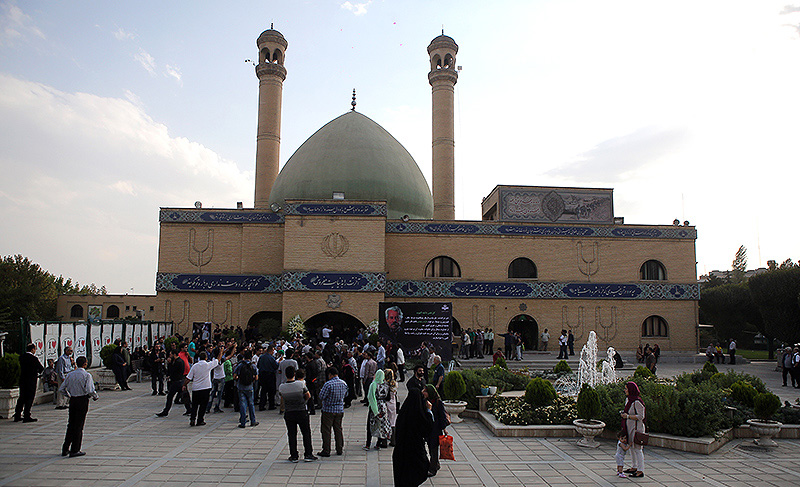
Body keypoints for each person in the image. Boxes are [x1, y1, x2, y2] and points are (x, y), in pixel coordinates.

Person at [392, 388, 433, 487]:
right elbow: (427, 429)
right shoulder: (419, 415)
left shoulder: (403, 414)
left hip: (401, 451)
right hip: (415, 451)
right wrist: (429, 411)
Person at [59, 356, 98, 458]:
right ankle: (75, 449)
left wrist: (69, 395)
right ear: (85, 364)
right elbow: (90, 390)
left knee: (71, 424)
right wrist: (95, 396)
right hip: (82, 400)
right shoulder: (86, 375)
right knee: (79, 425)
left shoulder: (70, 375)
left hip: (73, 400)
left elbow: (62, 389)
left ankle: (65, 448)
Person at [279, 365, 316, 462]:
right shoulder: (300, 385)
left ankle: (294, 455)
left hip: (289, 412)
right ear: (294, 374)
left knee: (291, 434)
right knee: (306, 433)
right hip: (301, 410)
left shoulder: (282, 387)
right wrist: (303, 401)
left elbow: (282, 398)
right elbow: (308, 395)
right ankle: (308, 454)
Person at [183, 348, 222, 426]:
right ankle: (200, 419)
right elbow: (218, 360)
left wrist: (184, 385)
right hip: (205, 388)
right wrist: (221, 351)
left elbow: (188, 378)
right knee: (203, 405)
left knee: (194, 405)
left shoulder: (194, 366)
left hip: (196, 388)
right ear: (206, 358)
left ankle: (192, 419)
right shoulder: (208, 365)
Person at [318, 366, 348, 457]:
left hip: (328, 410)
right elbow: (346, 394)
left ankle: (326, 450)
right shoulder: (343, 383)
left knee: (326, 430)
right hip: (339, 410)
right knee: (338, 429)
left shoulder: (328, 384)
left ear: (330, 375)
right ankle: (339, 448)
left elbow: (321, 396)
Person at [14, 343, 44, 422]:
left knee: (22, 397)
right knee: (29, 398)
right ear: (32, 349)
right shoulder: (34, 359)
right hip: (31, 381)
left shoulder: (21, 357)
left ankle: (17, 414)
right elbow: (41, 368)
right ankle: (27, 415)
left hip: (23, 380)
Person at [424, 384, 449, 477]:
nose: (423, 392)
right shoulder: (426, 401)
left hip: (435, 431)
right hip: (429, 429)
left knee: (434, 450)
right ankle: (436, 464)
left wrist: (443, 429)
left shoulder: (438, 403)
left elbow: (442, 417)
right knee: (430, 448)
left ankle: (433, 468)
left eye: (425, 391)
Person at [621, 381, 645, 478]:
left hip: (637, 429)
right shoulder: (628, 400)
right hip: (629, 428)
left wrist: (628, 416)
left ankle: (640, 470)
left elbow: (641, 416)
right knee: (631, 447)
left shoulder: (637, 402)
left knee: (638, 449)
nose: (625, 390)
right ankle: (634, 466)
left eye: (626, 388)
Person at [156, 349, 191, 417]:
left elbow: (174, 371)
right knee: (184, 396)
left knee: (172, 396)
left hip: (177, 382)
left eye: (171, 354)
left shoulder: (178, 362)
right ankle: (189, 409)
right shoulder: (177, 361)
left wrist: (170, 364)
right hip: (179, 381)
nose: (170, 356)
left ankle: (166, 411)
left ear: (174, 354)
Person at [364, 369, 391, 450]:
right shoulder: (386, 385)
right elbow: (388, 398)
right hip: (383, 407)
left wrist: (375, 411)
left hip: (374, 407)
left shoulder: (373, 385)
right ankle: (378, 444)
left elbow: (371, 397)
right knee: (381, 426)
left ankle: (368, 445)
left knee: (370, 425)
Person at [234, 349, 259, 428]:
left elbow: (234, 376)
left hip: (241, 386)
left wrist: (238, 378)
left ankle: (243, 422)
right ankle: (253, 421)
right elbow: (257, 378)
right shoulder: (253, 365)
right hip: (250, 387)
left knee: (242, 404)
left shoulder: (240, 365)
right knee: (251, 404)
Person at [257, 345, 279, 410]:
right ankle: (271, 405)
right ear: (271, 351)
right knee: (271, 391)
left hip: (262, 375)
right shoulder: (271, 358)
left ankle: (262, 405)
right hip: (270, 375)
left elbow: (258, 366)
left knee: (263, 390)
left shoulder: (261, 357)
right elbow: (275, 366)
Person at [384, 369, 399, 446]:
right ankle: (393, 440)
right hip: (393, 403)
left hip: (385, 403)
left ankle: (384, 441)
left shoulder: (385, 383)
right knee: (393, 422)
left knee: (385, 421)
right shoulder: (395, 383)